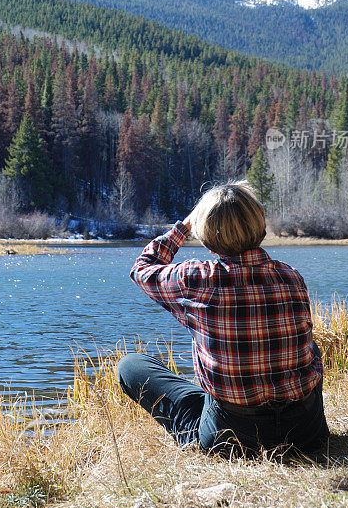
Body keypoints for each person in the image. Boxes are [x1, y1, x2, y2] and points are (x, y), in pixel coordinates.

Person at [117, 181, 330, 457]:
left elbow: (142, 268)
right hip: (307, 432)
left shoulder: (195, 279)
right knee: (308, 347)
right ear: (260, 226)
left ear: (206, 237)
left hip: (233, 438)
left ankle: (207, 429)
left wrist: (183, 228)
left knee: (130, 366)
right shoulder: (291, 276)